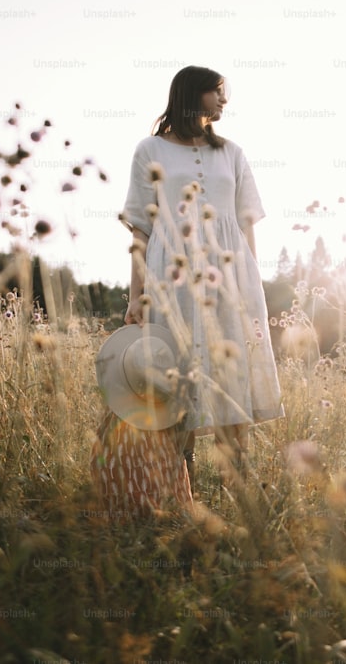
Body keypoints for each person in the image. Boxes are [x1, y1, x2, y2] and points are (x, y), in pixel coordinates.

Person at [120, 65, 283, 490]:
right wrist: (135, 296)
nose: (224, 100)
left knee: (233, 373)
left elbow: (247, 222)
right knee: (178, 375)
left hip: (231, 276)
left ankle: (239, 483)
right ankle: (179, 486)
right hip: (169, 275)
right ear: (193, 95)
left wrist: (252, 283)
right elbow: (140, 226)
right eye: (217, 92)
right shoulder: (150, 149)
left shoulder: (232, 152)